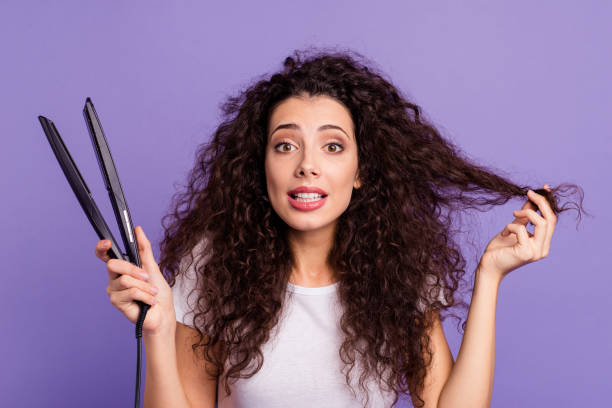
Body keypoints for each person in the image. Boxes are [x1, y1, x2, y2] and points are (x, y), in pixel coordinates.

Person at [93, 49, 584, 408]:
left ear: (361, 170)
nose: (307, 166)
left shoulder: (400, 273)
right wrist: (156, 332)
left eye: (332, 147)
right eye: (285, 146)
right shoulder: (214, 267)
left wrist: (490, 277)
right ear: (259, 166)